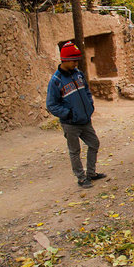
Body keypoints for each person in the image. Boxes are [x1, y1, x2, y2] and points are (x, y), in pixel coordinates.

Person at [46, 41, 106, 188]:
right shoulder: (56, 81)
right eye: (73, 60)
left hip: (85, 120)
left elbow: (86, 90)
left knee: (94, 144)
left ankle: (91, 173)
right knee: (75, 151)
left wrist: (90, 105)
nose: (76, 63)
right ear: (65, 60)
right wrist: (69, 114)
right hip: (71, 123)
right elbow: (51, 105)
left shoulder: (78, 74)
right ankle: (81, 177)